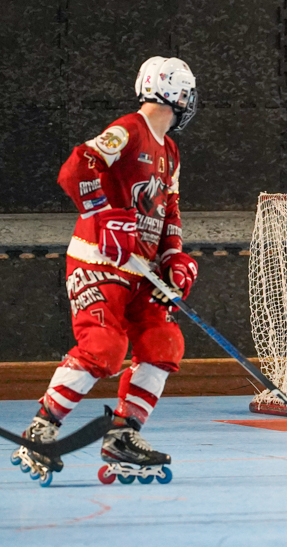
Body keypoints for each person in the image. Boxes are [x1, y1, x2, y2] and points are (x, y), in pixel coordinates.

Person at [11, 56, 199, 486]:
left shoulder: (170, 152)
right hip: (100, 261)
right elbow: (77, 166)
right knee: (105, 348)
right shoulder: (129, 129)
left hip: (142, 269)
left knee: (164, 343)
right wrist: (102, 212)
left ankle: (123, 435)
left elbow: (169, 211)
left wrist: (174, 258)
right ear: (177, 93)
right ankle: (41, 428)